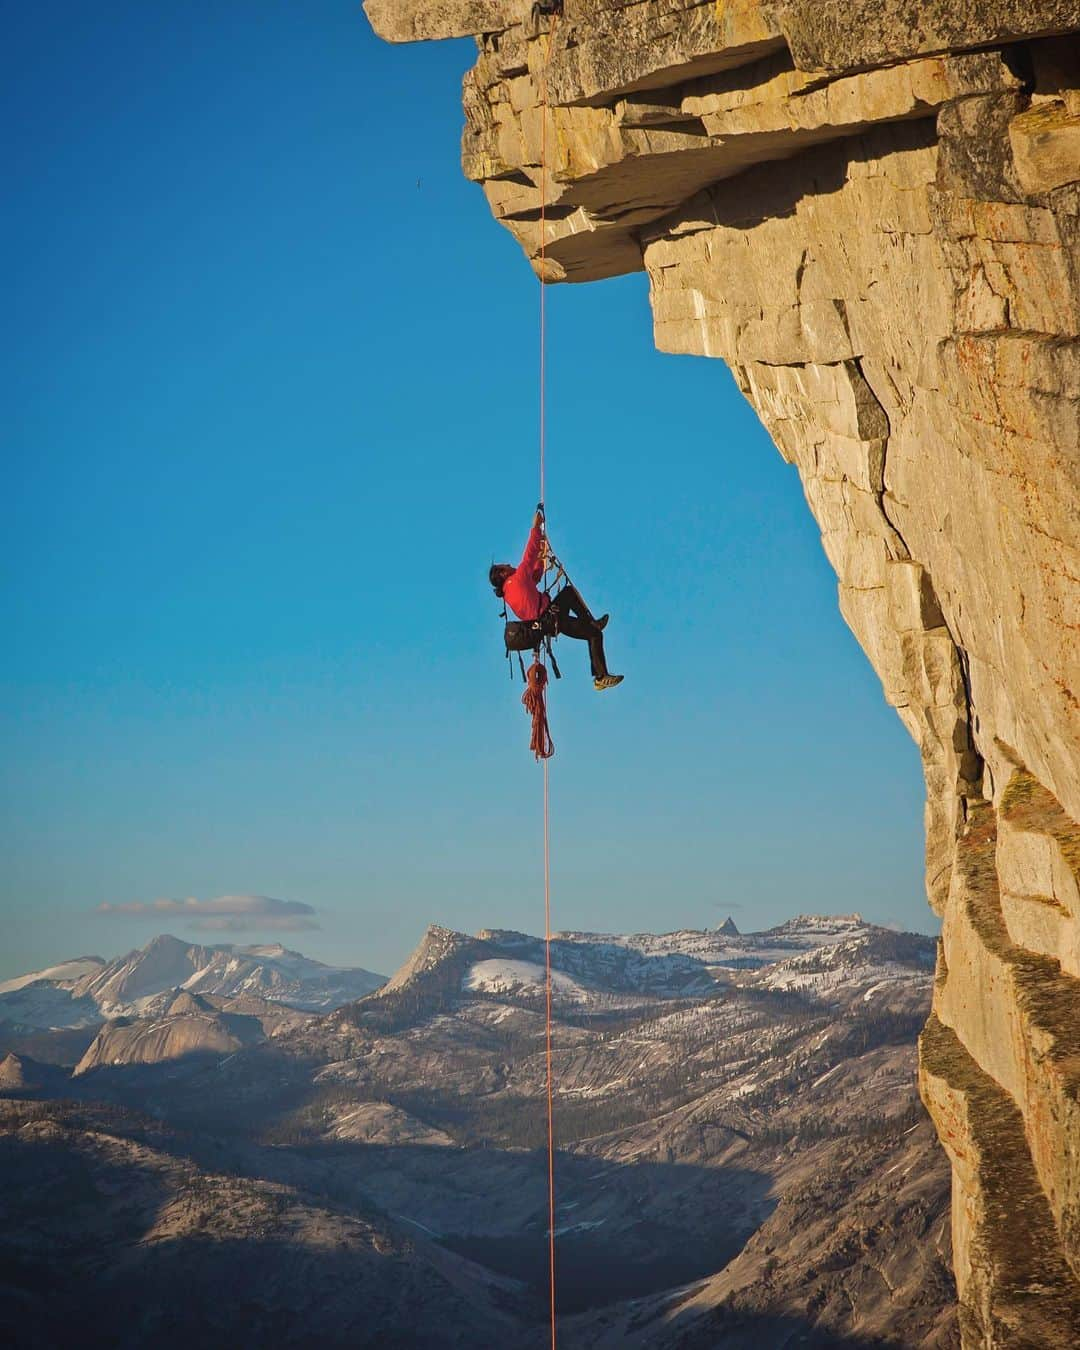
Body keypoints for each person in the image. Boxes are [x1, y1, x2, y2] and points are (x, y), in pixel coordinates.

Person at [489, 508, 623, 691]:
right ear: (503, 572)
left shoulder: (509, 590)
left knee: (592, 632)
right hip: (551, 619)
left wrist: (542, 555)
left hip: (548, 622)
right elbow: (528, 555)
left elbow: (534, 576)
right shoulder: (516, 579)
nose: (509, 564)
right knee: (571, 598)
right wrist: (536, 527)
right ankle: (600, 673)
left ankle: (600, 670)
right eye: (505, 565)